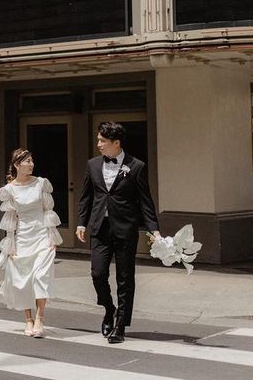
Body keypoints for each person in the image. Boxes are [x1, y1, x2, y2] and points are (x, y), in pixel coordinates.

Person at [76, 121, 162, 344]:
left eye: (102, 141)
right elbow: (86, 197)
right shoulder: (93, 165)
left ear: (117, 143)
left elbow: (145, 202)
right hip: (100, 229)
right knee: (97, 274)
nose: (98, 145)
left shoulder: (136, 166)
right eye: (98, 140)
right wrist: (81, 223)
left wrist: (154, 230)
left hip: (125, 229)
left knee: (125, 279)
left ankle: (120, 325)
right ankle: (108, 308)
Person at [0, 148, 62, 338]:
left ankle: (40, 318)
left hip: (41, 233)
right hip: (22, 237)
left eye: (32, 160)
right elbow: (10, 220)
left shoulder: (41, 183)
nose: (31, 164)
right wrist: (10, 245)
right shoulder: (9, 189)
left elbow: (48, 210)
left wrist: (52, 237)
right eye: (27, 161)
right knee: (22, 280)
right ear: (17, 165)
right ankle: (28, 320)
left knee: (40, 276)